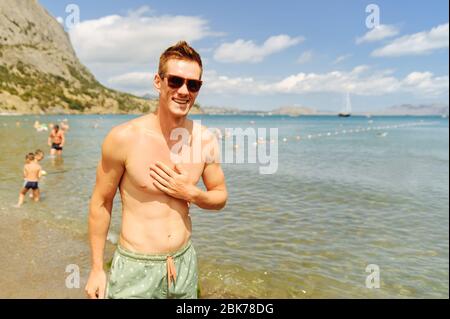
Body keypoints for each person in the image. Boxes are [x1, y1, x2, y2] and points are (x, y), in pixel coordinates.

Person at [85, 41, 228, 299]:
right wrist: (97, 269)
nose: (184, 91)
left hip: (184, 264)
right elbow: (100, 203)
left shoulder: (205, 139)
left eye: (193, 84)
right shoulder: (123, 138)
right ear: (158, 81)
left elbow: (220, 196)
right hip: (135, 267)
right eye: (175, 81)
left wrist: (191, 193)